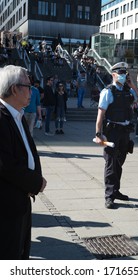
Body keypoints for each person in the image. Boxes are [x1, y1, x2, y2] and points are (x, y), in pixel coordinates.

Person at [0, 65, 47, 259]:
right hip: (6, 204)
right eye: (28, 85)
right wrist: (36, 182)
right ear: (14, 89)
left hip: (20, 199)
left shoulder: (16, 114)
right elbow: (5, 164)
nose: (32, 90)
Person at [95, 62, 138, 209]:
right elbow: (100, 115)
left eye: (125, 73)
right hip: (112, 132)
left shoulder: (128, 91)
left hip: (124, 132)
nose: (124, 76)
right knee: (111, 163)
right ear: (113, 74)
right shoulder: (107, 92)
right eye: (121, 73)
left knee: (119, 163)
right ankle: (109, 196)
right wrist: (98, 134)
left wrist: (133, 86)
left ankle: (116, 190)